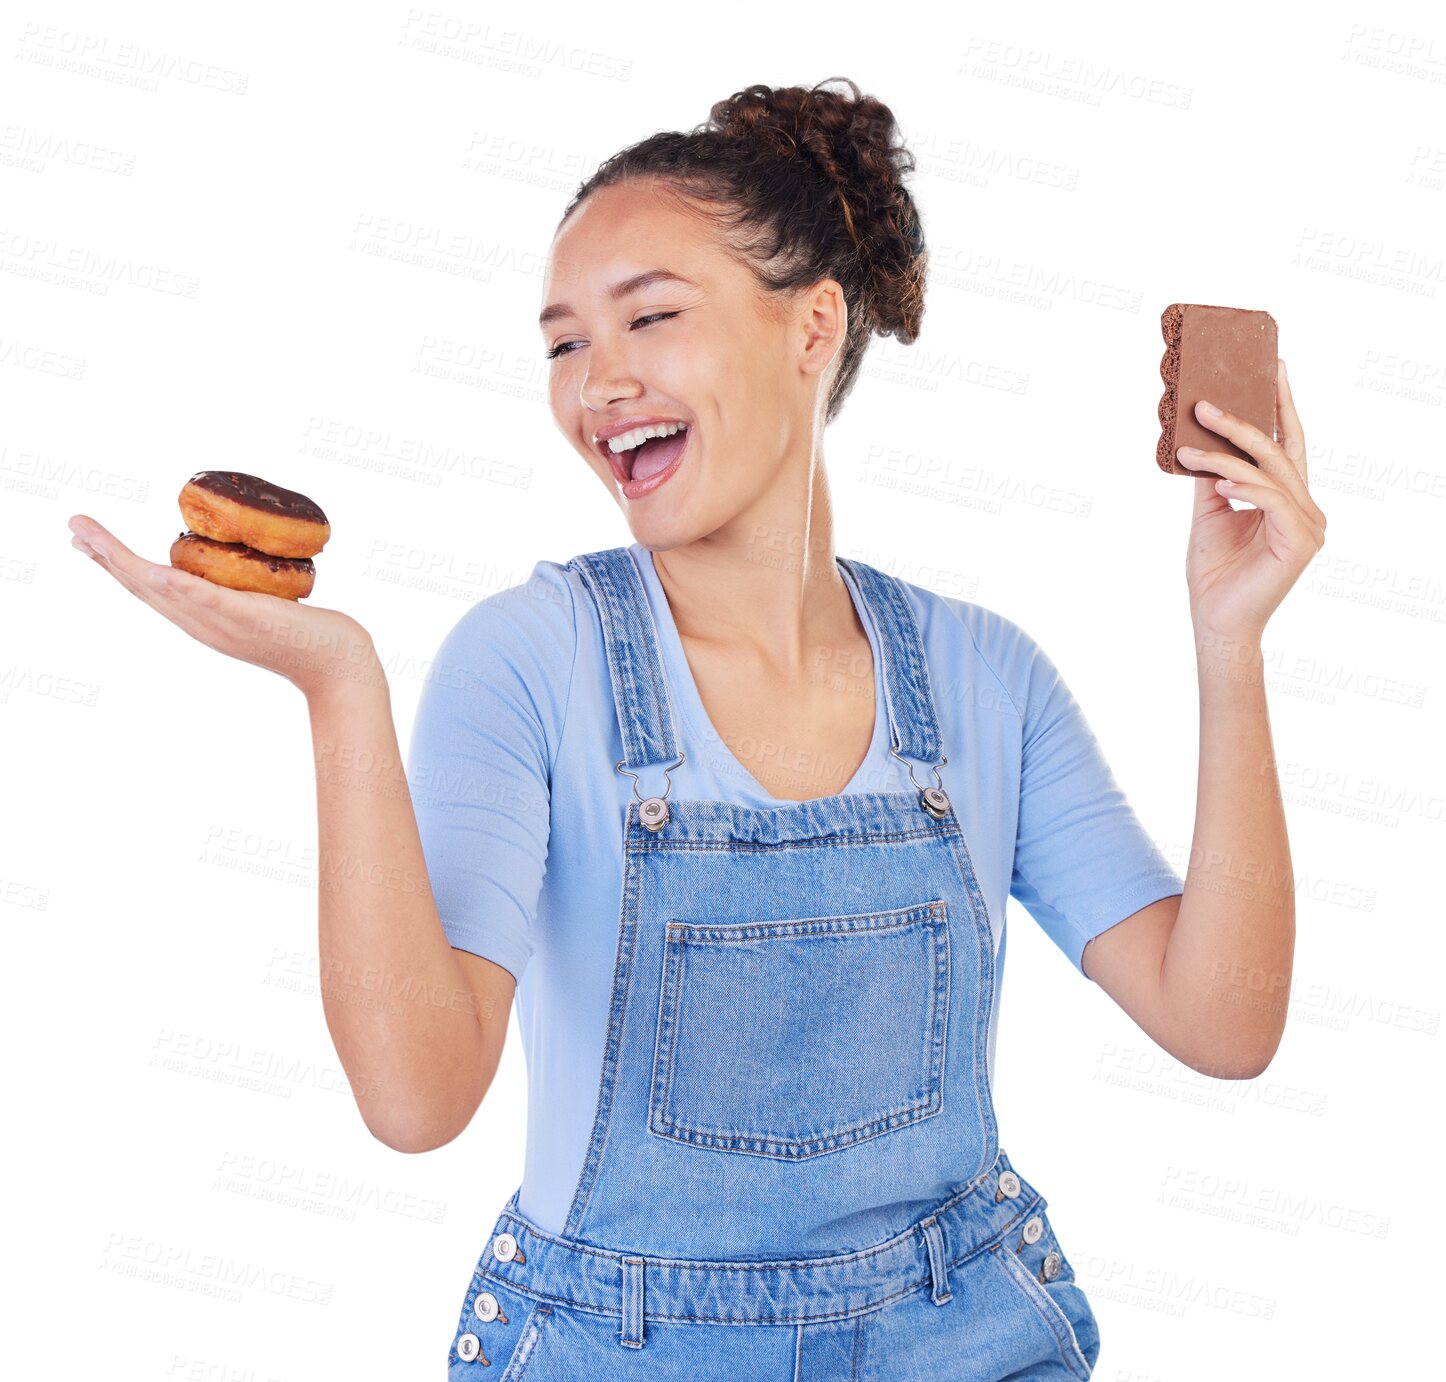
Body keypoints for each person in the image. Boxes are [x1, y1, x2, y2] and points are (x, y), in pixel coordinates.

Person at [69, 75, 1324, 1381]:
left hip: (965, 1339)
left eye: (650, 318)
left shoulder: (981, 678)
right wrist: (339, 694)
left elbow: (1221, 1024)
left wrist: (1229, 641)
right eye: (563, 343)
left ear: (812, 329)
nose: (597, 381)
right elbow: (415, 1097)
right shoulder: (530, 660)